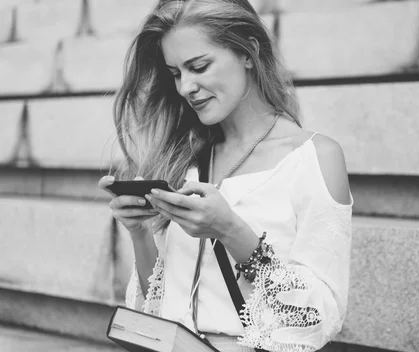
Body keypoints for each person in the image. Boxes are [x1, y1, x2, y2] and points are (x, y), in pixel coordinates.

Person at [98, 1, 353, 351]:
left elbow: (316, 318)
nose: (186, 87)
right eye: (176, 73)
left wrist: (231, 231)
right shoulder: (186, 159)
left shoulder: (313, 159)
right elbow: (159, 309)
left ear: (248, 51)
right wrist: (139, 233)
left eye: (198, 67)